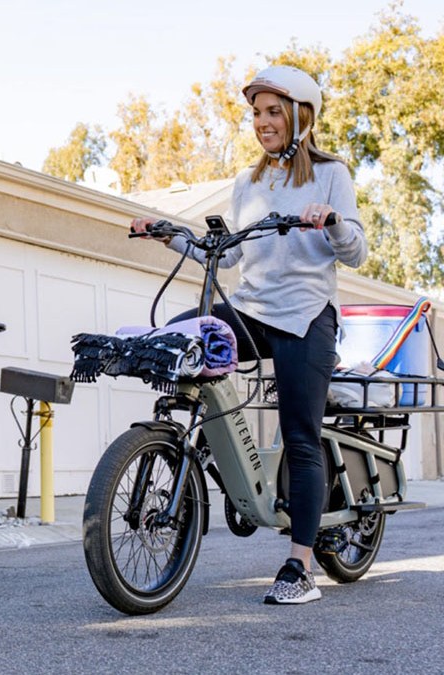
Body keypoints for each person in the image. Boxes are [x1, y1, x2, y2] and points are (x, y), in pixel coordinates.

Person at [130, 64, 367, 605]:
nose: (261, 122)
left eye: (272, 111)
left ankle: (300, 566)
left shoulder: (332, 173)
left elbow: (355, 249)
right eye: (256, 113)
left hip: (306, 315)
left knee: (300, 436)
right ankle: (202, 448)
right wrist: (172, 237)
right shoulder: (248, 183)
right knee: (179, 335)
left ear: (301, 116)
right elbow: (230, 253)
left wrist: (330, 221)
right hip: (253, 308)